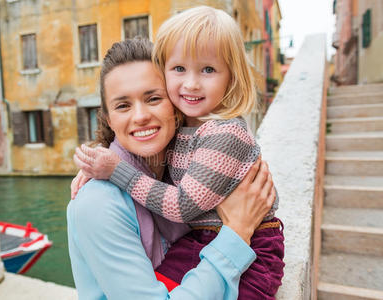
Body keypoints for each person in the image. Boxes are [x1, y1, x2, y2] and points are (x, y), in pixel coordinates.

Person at [73, 6, 284, 299]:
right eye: (123, 105)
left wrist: (108, 165)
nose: (141, 116)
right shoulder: (97, 205)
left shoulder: (203, 136)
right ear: (108, 119)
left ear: (173, 105)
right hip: (215, 240)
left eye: (153, 98)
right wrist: (237, 232)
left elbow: (184, 201)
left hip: (240, 246)